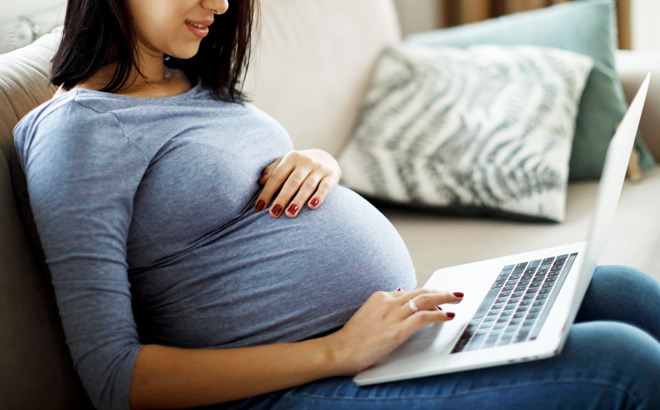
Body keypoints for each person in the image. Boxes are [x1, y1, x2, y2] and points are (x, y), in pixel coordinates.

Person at [12, 0, 660, 409]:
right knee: (623, 366)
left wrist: (321, 163)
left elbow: (234, 189)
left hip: (383, 339)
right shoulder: (77, 136)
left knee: (625, 292)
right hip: (297, 385)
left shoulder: (187, 75)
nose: (219, 4)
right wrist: (340, 353)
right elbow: (113, 379)